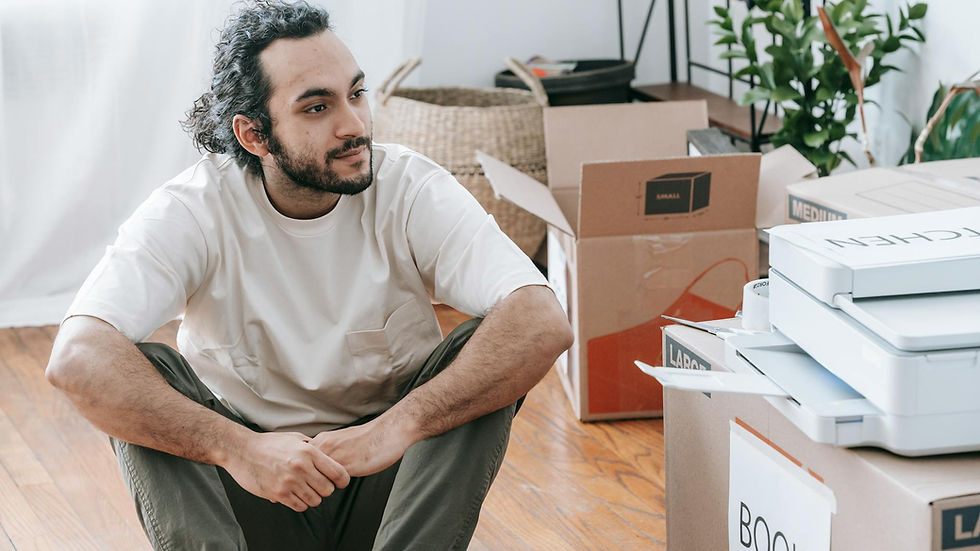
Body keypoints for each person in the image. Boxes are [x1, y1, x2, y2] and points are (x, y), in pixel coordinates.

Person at [44, 1, 573, 549]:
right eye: (317, 108)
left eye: (357, 94)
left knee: (482, 347)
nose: (354, 125)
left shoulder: (411, 189)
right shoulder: (192, 209)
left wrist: (396, 427)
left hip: (389, 481)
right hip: (254, 487)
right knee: (141, 372)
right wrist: (237, 448)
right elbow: (77, 358)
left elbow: (541, 320)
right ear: (253, 135)